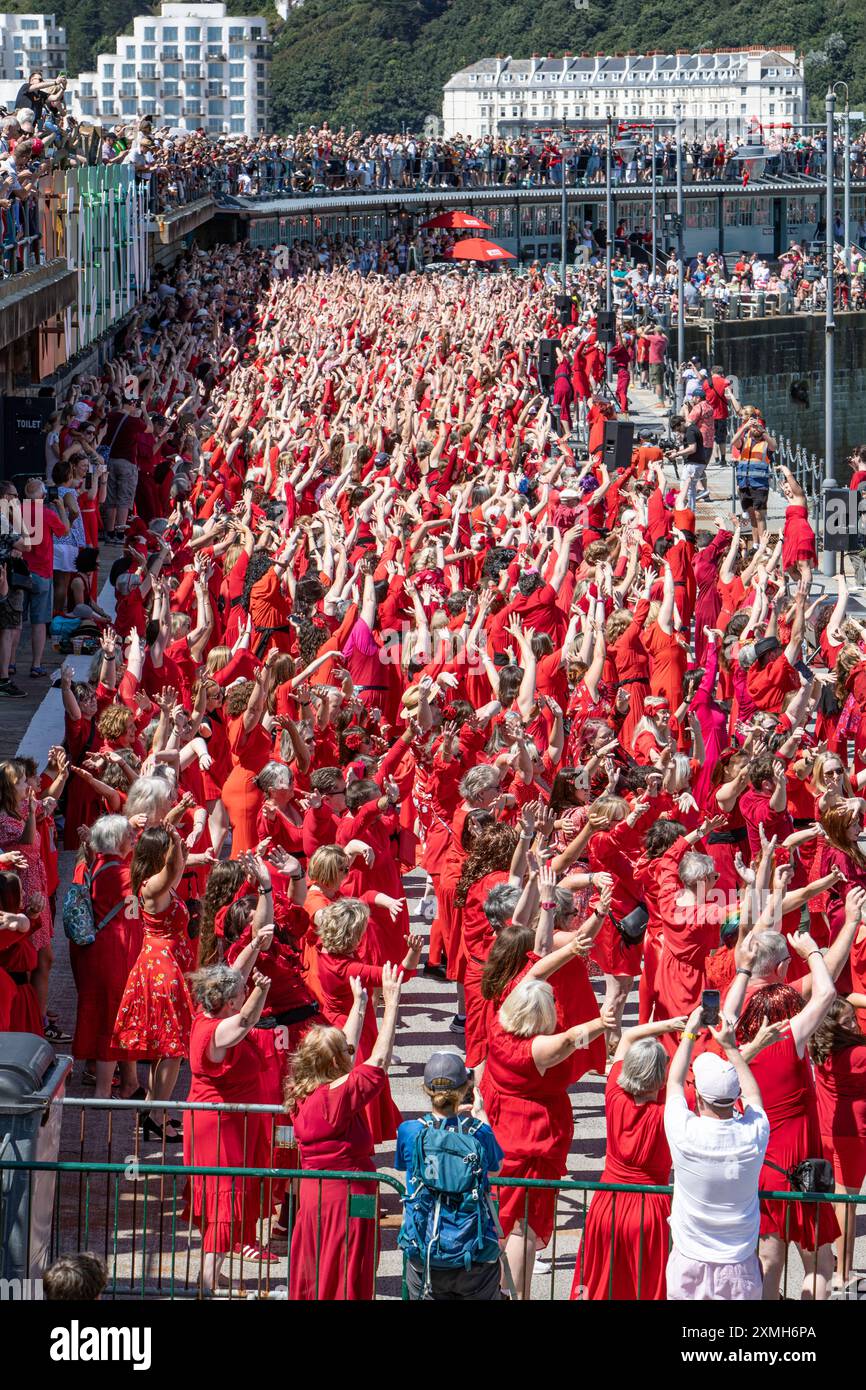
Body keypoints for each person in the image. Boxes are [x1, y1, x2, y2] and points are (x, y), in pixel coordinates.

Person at [285, 963, 403, 1300]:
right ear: (337, 1063)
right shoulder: (337, 1099)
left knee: (318, 1268)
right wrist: (391, 1004)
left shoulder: (304, 1094)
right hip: (350, 1199)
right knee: (352, 1268)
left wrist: (360, 1005)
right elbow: (377, 1061)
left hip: (315, 1198)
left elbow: (344, 1050)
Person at [572, 1015, 686, 1301]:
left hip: (607, 1203)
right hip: (652, 1210)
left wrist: (669, 1025)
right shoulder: (668, 1115)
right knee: (646, 1288)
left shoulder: (614, 1095)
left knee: (599, 1283)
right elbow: (678, 1080)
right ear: (661, 1078)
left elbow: (628, 1036)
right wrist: (690, 1034)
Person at [664, 1006, 770, 1300]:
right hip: (739, 1264)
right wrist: (730, 1047)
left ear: (697, 1095)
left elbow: (673, 1083)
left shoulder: (685, 1132)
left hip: (689, 1259)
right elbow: (754, 1098)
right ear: (734, 1098)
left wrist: (689, 1032)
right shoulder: (754, 1133)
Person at [396, 1050, 503, 1300]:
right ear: (466, 1087)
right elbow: (496, 1168)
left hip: (426, 1249)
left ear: (426, 1088)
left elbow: (403, 1166)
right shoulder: (478, 1133)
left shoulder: (410, 1131)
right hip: (473, 1250)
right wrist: (480, 1116)